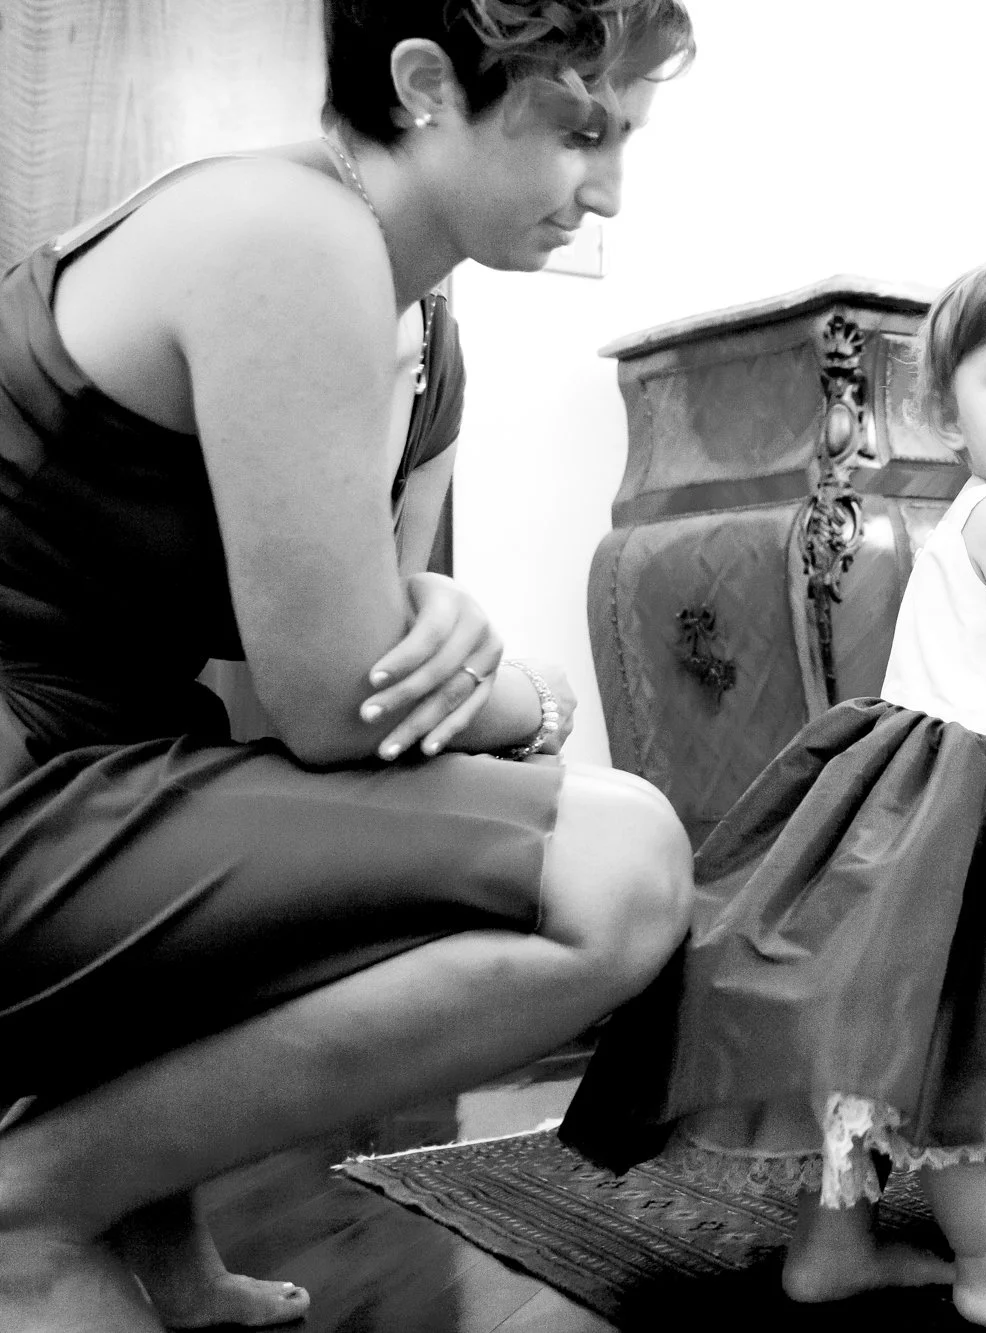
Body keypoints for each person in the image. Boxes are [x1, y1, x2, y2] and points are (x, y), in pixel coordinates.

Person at [0, 3, 698, 1329]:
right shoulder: (288, 233)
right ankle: (29, 1203)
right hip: (30, 774)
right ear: (429, 84)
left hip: (104, 759)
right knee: (625, 865)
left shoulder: (427, 336)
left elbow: (359, 688)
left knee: (351, 796)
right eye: (582, 129)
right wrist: (526, 683)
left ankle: (157, 1246)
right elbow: (342, 702)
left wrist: (432, 615)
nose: (605, 187)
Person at [559, 259, 986, 1333]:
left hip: (956, 798)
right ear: (947, 411)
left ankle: (832, 1248)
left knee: (885, 1046)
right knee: (972, 1037)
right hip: (970, 815)